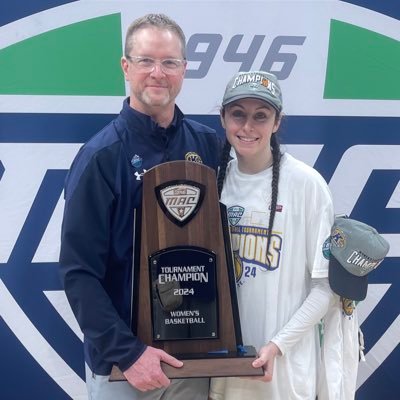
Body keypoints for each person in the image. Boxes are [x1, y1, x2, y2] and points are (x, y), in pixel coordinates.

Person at [59, 13, 221, 400]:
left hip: (193, 357)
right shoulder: (101, 156)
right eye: (146, 60)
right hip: (122, 367)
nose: (157, 73)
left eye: (169, 62)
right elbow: (78, 272)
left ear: (184, 69)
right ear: (126, 67)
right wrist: (128, 354)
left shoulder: (209, 145)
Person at [209, 70, 356, 399]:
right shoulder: (212, 181)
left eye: (261, 116)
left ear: (277, 122)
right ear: (222, 118)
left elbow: (325, 287)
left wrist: (278, 345)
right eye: (238, 114)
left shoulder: (306, 184)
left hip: (285, 375)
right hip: (223, 374)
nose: (248, 127)